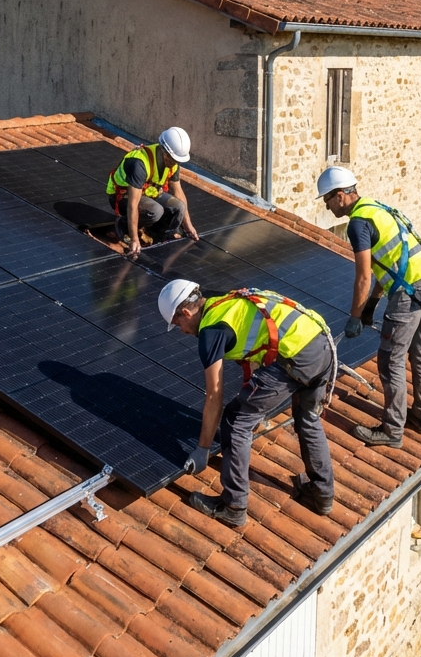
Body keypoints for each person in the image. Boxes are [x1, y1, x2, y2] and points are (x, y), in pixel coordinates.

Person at [159, 278, 337, 526]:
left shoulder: (211, 332)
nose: (180, 329)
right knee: (307, 418)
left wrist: (203, 449)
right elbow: (260, 345)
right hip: (321, 342)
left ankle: (233, 505)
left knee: (235, 421)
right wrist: (257, 405)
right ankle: (322, 495)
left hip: (296, 357)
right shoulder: (224, 302)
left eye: (177, 322)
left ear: (186, 312)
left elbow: (214, 396)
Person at [317, 166, 421, 448]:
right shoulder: (376, 207)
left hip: (410, 291)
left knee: (390, 359)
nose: (328, 208)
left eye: (327, 201)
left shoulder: (358, 224)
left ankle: (392, 430)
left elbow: (363, 275)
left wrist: (354, 316)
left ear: (339, 196)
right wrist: (372, 304)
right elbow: (389, 264)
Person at [107, 128, 199, 256]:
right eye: (172, 159)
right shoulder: (139, 163)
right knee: (156, 210)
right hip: (122, 196)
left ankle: (159, 236)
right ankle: (124, 227)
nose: (174, 163)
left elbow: (179, 192)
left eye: (177, 160)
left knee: (179, 207)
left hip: (148, 193)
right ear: (163, 151)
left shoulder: (173, 163)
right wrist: (134, 239)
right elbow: (133, 204)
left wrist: (189, 226)